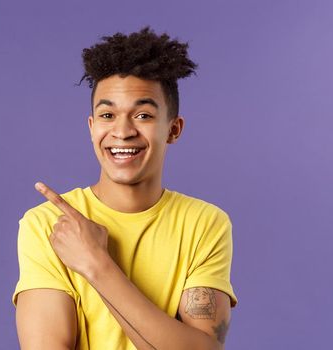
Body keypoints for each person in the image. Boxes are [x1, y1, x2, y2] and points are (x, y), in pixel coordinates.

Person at [12, 26, 237, 350]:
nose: (122, 131)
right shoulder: (48, 225)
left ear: (173, 129)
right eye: (107, 114)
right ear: (92, 128)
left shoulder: (205, 223)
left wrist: (95, 263)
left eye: (143, 114)